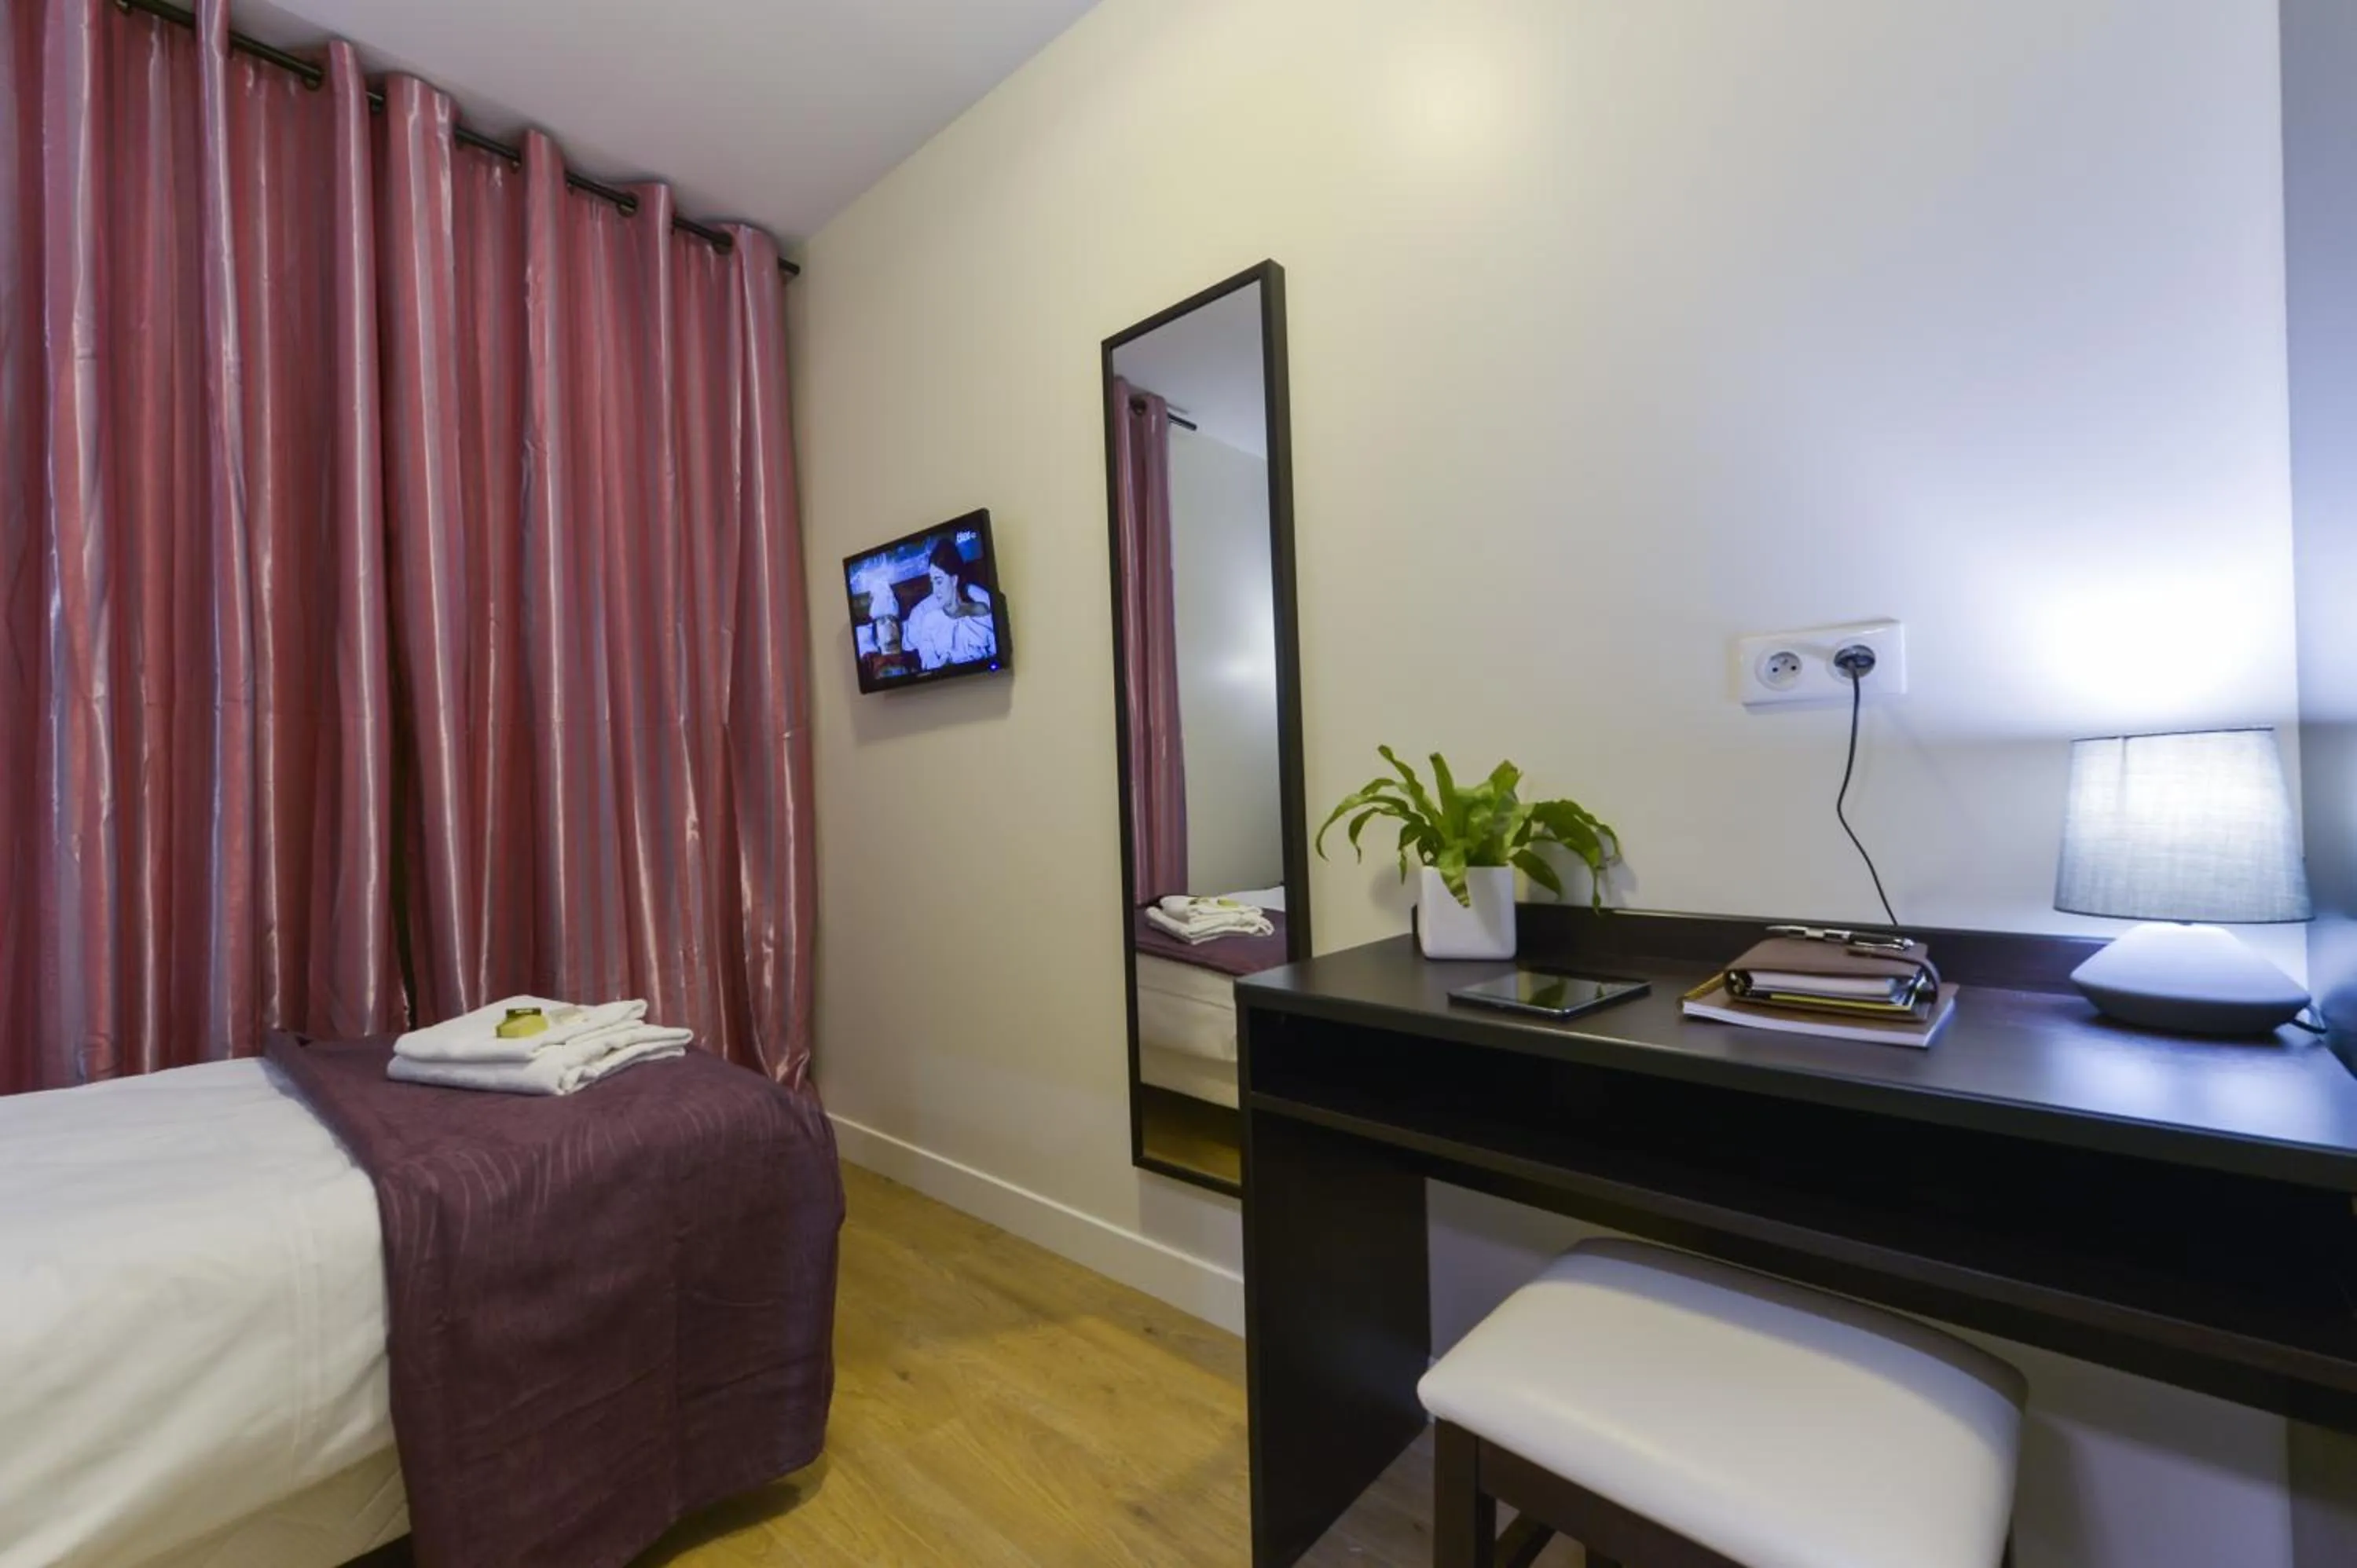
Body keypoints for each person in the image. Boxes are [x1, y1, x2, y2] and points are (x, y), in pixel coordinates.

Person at [904, 539, 997, 670]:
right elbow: (928, 661)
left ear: (954, 580)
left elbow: (996, 651)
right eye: (933, 582)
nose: (935, 590)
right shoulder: (929, 621)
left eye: (939, 581)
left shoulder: (982, 610)